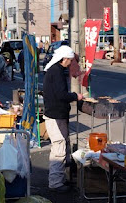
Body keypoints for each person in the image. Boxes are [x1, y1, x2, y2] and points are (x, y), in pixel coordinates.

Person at [43, 45, 83, 193]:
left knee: (61, 146)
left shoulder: (54, 70)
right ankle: (55, 182)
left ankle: (59, 178)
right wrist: (75, 96)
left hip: (56, 113)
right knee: (59, 147)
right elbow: (61, 95)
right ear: (64, 58)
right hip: (56, 114)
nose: (70, 63)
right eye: (70, 60)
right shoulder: (57, 72)